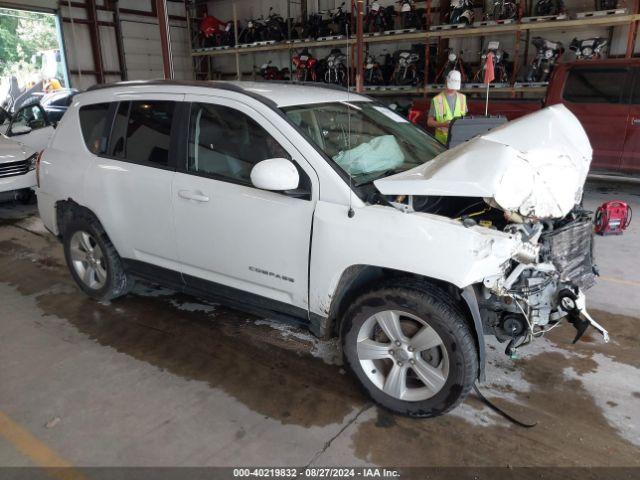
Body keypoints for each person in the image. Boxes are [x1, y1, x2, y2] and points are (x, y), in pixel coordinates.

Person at [427, 70, 467, 145]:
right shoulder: (437, 100)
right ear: (446, 81)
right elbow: (429, 122)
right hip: (441, 143)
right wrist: (442, 124)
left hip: (457, 141)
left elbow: (464, 120)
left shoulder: (462, 98)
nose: (452, 89)